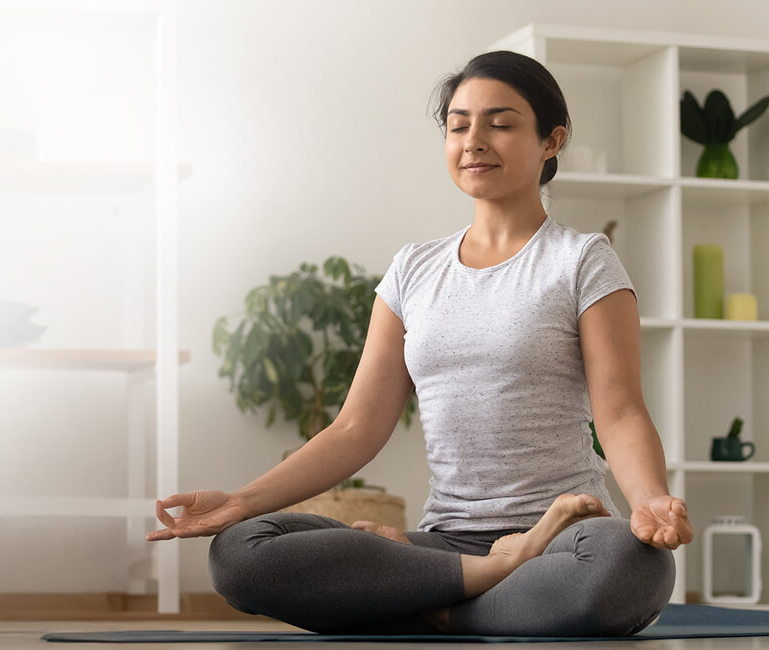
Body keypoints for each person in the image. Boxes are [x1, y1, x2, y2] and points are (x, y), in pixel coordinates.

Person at [145, 50, 692, 637]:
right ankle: (482, 578)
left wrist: (649, 501)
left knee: (629, 567)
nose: (474, 141)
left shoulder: (581, 261)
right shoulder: (412, 270)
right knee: (241, 551)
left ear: (550, 141)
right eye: (459, 125)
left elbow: (620, 411)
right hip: (443, 543)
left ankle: (433, 601)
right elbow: (356, 428)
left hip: (562, 536)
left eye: (500, 124)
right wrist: (240, 502)